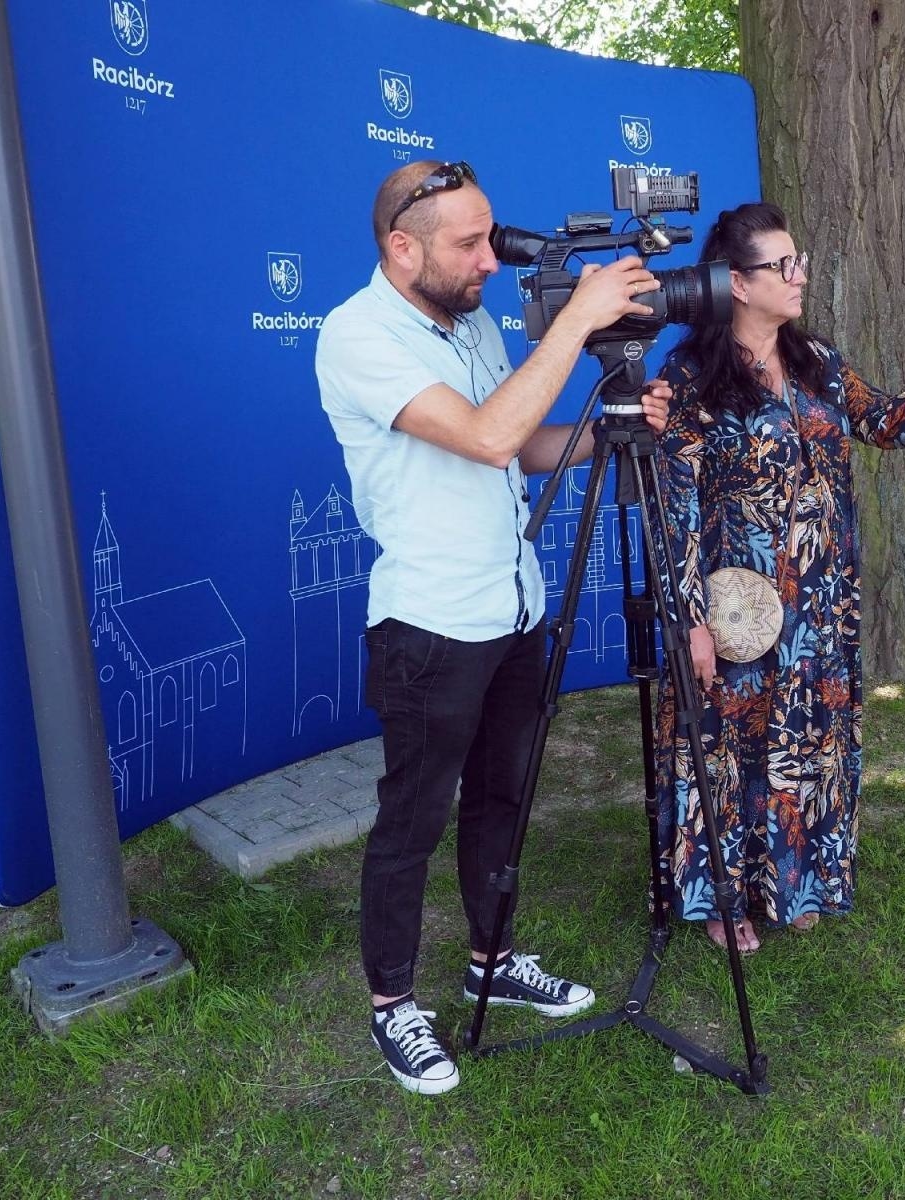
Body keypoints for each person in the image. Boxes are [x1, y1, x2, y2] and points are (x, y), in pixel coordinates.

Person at [315, 159, 671, 1095]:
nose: (489, 259)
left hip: (513, 607)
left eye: (490, 236)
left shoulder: (469, 323)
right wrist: (579, 319)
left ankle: (489, 958)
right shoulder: (355, 334)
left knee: (502, 799)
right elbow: (482, 436)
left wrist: (612, 423)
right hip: (430, 625)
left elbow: (519, 447)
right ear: (402, 246)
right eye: (468, 244)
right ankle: (394, 1005)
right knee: (412, 821)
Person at [653, 201, 905, 953]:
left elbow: (884, 421)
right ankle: (725, 896)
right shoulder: (689, 380)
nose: (799, 273)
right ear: (738, 284)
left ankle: (798, 879)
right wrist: (691, 622)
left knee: (808, 744)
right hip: (740, 611)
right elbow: (673, 508)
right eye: (783, 264)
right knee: (732, 749)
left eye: (798, 259)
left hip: (820, 603)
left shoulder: (817, 362)